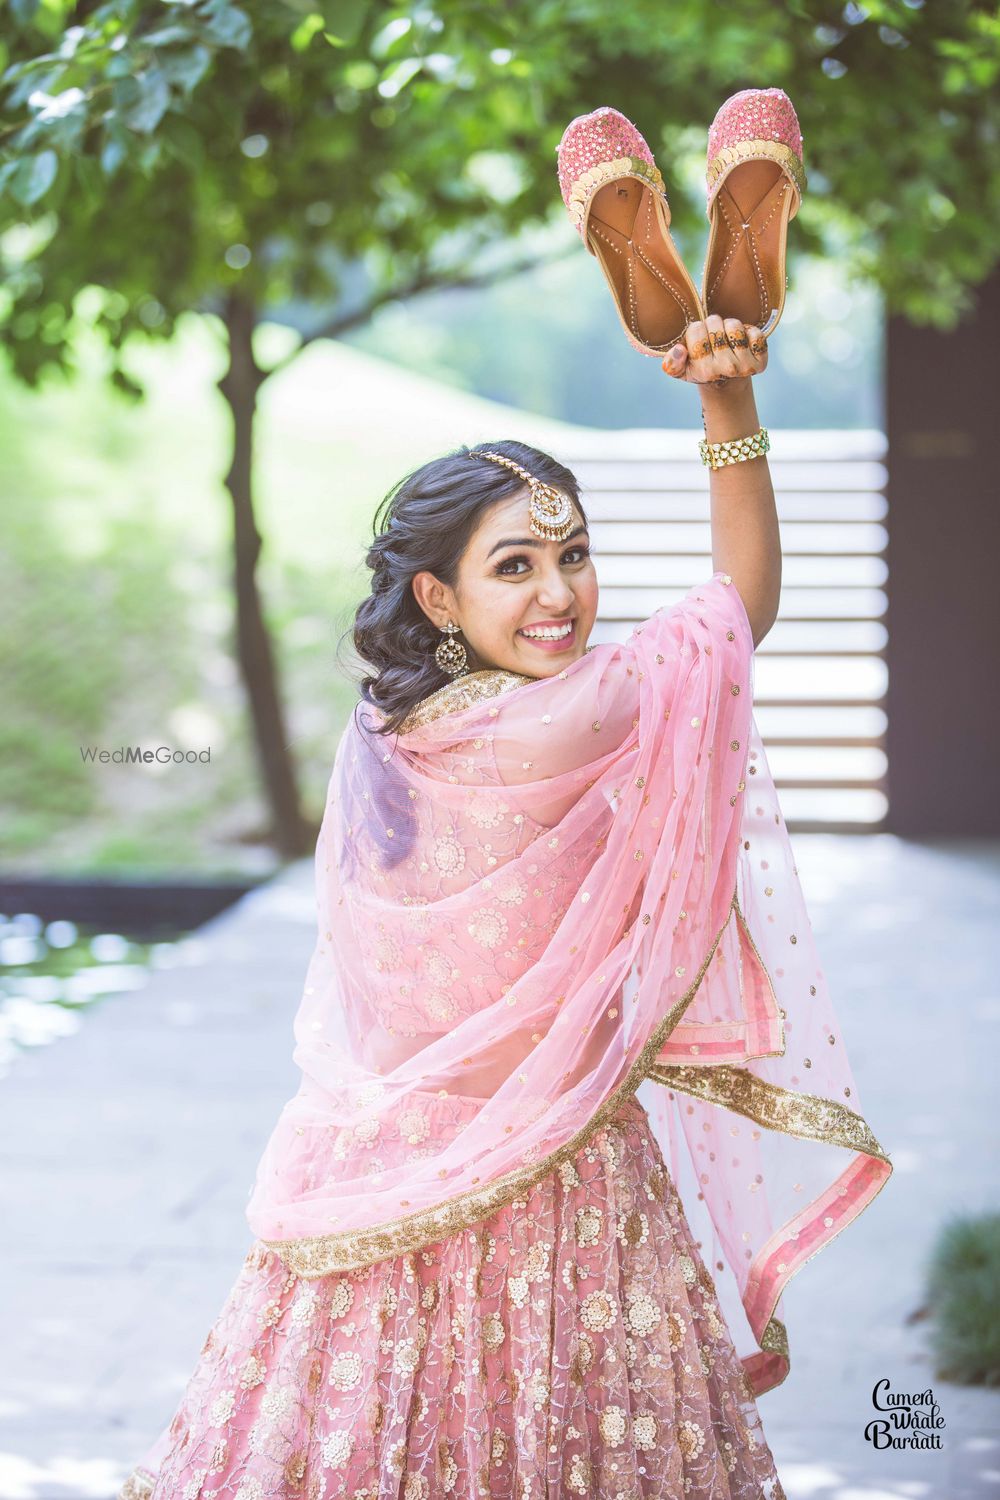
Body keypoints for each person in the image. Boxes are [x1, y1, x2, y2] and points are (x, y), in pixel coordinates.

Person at [117, 315, 892, 1500]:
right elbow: (739, 604)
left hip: (379, 1157)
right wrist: (726, 410)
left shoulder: (385, 725)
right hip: (562, 1170)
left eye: (572, 556)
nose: (559, 594)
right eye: (515, 566)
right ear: (437, 594)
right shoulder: (569, 716)